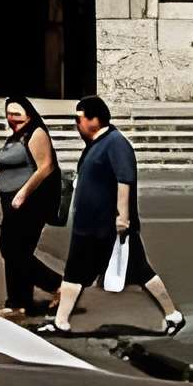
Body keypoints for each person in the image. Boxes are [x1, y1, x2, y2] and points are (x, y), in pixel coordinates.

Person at [46, 97, 182, 337]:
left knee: (141, 271)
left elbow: (124, 180)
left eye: (79, 119)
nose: (76, 125)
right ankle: (61, 322)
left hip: (109, 226)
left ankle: (173, 315)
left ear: (95, 119)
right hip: (88, 226)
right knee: (75, 273)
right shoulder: (95, 143)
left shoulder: (116, 143)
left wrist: (123, 217)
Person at [0, 95, 61, 318]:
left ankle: (51, 286)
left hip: (31, 202)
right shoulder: (15, 136)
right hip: (11, 201)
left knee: (11, 248)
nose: (12, 118)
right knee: (15, 251)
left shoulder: (36, 133)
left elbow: (46, 167)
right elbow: (6, 167)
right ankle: (21, 303)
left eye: (17, 114)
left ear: (29, 114)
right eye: (9, 114)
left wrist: (23, 193)